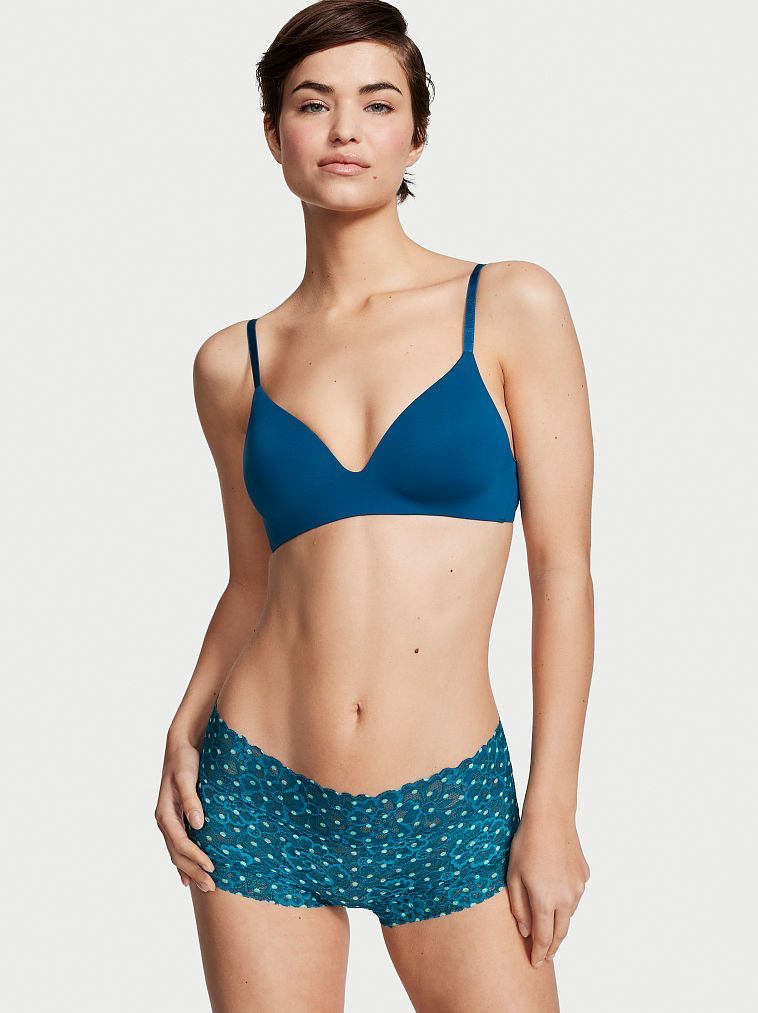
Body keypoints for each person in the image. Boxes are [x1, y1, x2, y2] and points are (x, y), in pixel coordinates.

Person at [154, 2, 593, 1010]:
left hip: (451, 799)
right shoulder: (233, 363)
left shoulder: (509, 303)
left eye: (377, 103)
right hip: (257, 788)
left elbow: (562, 569)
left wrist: (553, 809)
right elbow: (254, 580)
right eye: (312, 104)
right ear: (275, 135)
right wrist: (182, 724)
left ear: (416, 135)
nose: (345, 128)